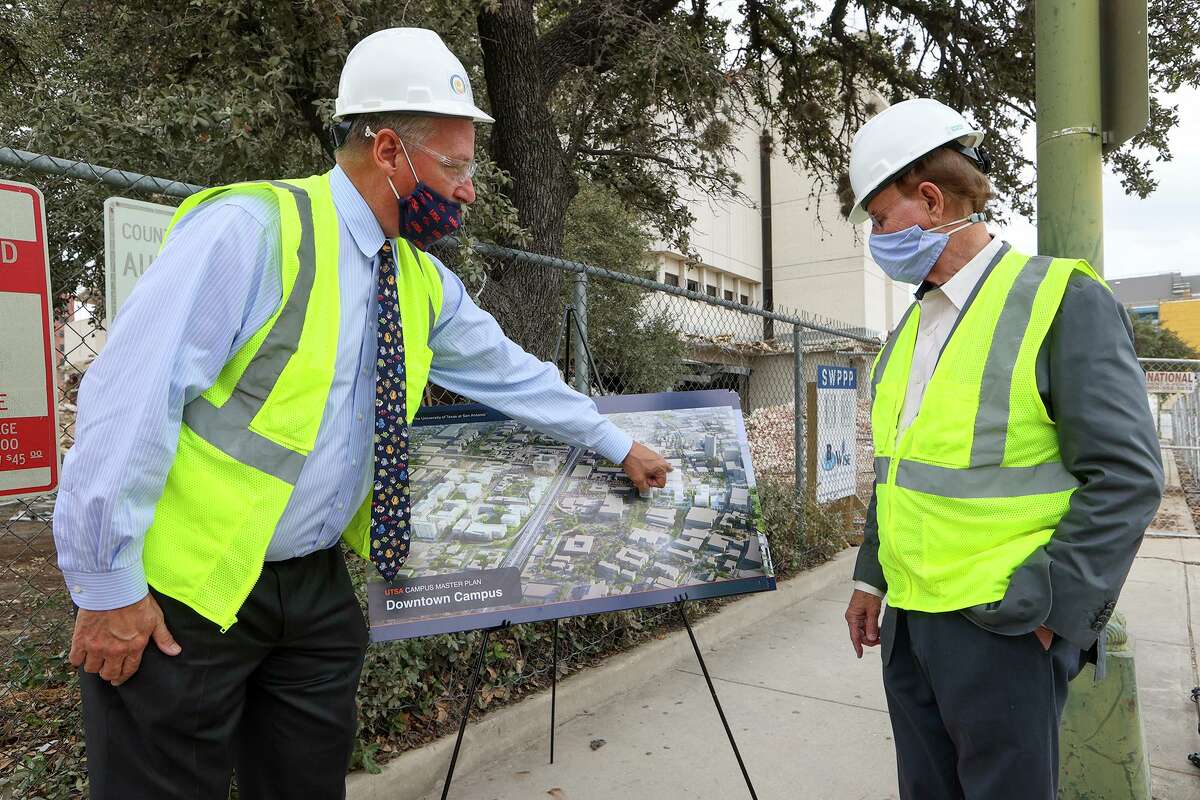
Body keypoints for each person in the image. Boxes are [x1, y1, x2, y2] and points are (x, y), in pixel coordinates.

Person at [54, 27, 671, 800]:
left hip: (312, 598)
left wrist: (617, 442)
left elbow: (514, 376)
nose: (469, 191)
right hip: (186, 594)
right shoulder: (251, 231)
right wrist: (107, 585)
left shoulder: (418, 280)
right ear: (387, 151)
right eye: (454, 167)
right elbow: (127, 399)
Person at [841, 98, 1163, 799]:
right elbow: (898, 471)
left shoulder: (1060, 300)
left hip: (1005, 632)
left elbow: (1128, 478)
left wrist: (1050, 617)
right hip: (912, 627)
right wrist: (872, 578)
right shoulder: (911, 330)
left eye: (879, 216)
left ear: (928, 200)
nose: (875, 236)